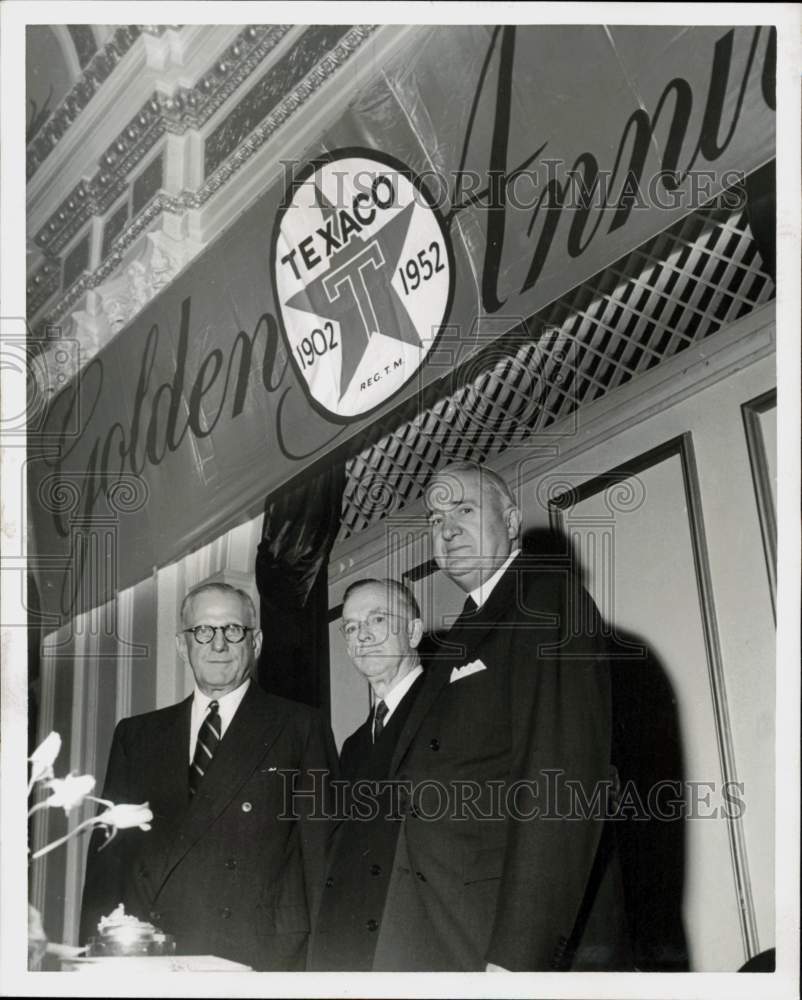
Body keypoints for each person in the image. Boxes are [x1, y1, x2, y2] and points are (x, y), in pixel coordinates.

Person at [370, 460, 631, 971]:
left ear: (511, 522)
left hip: (500, 939)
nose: (446, 528)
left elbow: (562, 782)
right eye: (434, 519)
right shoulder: (460, 632)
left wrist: (518, 958)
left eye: (464, 509)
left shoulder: (546, 599)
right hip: (445, 926)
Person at [79, 581, 336, 970]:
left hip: (258, 959)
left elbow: (322, 862)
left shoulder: (300, 727)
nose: (218, 645)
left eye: (234, 630)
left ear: (257, 642)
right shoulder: (137, 735)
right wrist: (91, 962)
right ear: (183, 645)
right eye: (203, 631)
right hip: (153, 959)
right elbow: (107, 865)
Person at [308, 579, 425, 970]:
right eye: (352, 627)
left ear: (413, 630)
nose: (364, 635)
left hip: (418, 939)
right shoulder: (355, 744)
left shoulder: (450, 706)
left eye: (378, 618)